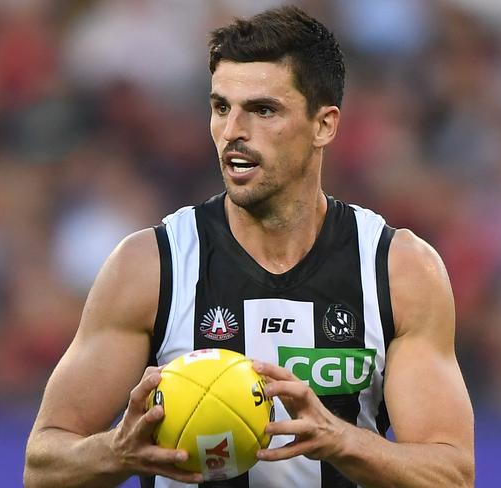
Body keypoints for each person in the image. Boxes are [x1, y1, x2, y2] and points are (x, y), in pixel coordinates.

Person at [24, 6, 474, 488]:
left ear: (324, 125)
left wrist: (339, 439)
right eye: (221, 107)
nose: (234, 131)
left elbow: (450, 475)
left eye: (263, 110)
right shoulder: (151, 266)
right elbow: (44, 465)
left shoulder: (397, 270)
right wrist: (117, 452)